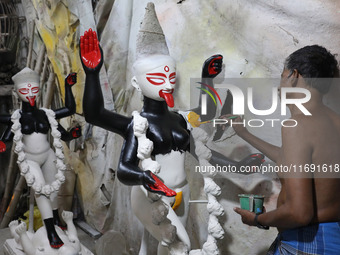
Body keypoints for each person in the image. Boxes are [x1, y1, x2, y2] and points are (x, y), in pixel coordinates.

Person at [79, 4, 263, 254]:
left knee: (157, 245)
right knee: (180, 245)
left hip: (182, 191)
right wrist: (92, 74)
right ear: (136, 82)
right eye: (157, 78)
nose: (166, 83)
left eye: (171, 78)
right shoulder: (137, 125)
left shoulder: (179, 120)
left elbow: (204, 127)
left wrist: (206, 79)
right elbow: (97, 119)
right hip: (149, 196)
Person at [231, 45, 340, 254]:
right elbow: (293, 160)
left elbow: (300, 213)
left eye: (282, 77)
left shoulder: (298, 126)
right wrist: (244, 133)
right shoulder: (333, 122)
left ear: (293, 75)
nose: (279, 87)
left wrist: (257, 219)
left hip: (307, 243)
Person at [0, 68, 81, 249]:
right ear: (17, 91)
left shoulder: (46, 114)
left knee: (53, 191)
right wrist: (2, 144)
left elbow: (69, 110)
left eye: (33, 89)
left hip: (48, 154)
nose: (30, 93)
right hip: (29, 159)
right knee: (41, 190)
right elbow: (6, 137)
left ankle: (56, 220)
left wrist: (68, 87)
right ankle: (50, 230)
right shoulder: (17, 118)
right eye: (25, 90)